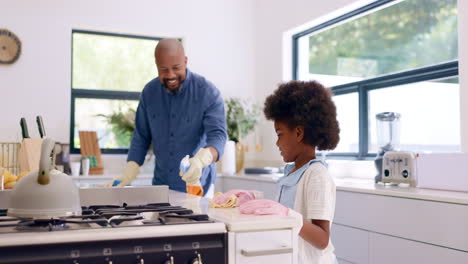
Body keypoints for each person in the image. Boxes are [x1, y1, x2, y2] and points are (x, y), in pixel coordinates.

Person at [105, 38, 227, 196]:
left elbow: (218, 136)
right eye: (163, 69)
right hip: (161, 185)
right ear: (156, 66)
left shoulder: (207, 92)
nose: (170, 75)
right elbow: (141, 136)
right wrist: (130, 171)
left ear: (185, 61)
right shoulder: (149, 93)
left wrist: (201, 160)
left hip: (198, 187)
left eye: (176, 68)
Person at [263, 80, 340, 264]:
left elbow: (322, 239)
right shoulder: (292, 173)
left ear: (298, 133)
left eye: (279, 134)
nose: (277, 143)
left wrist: (284, 213)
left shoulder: (316, 175)